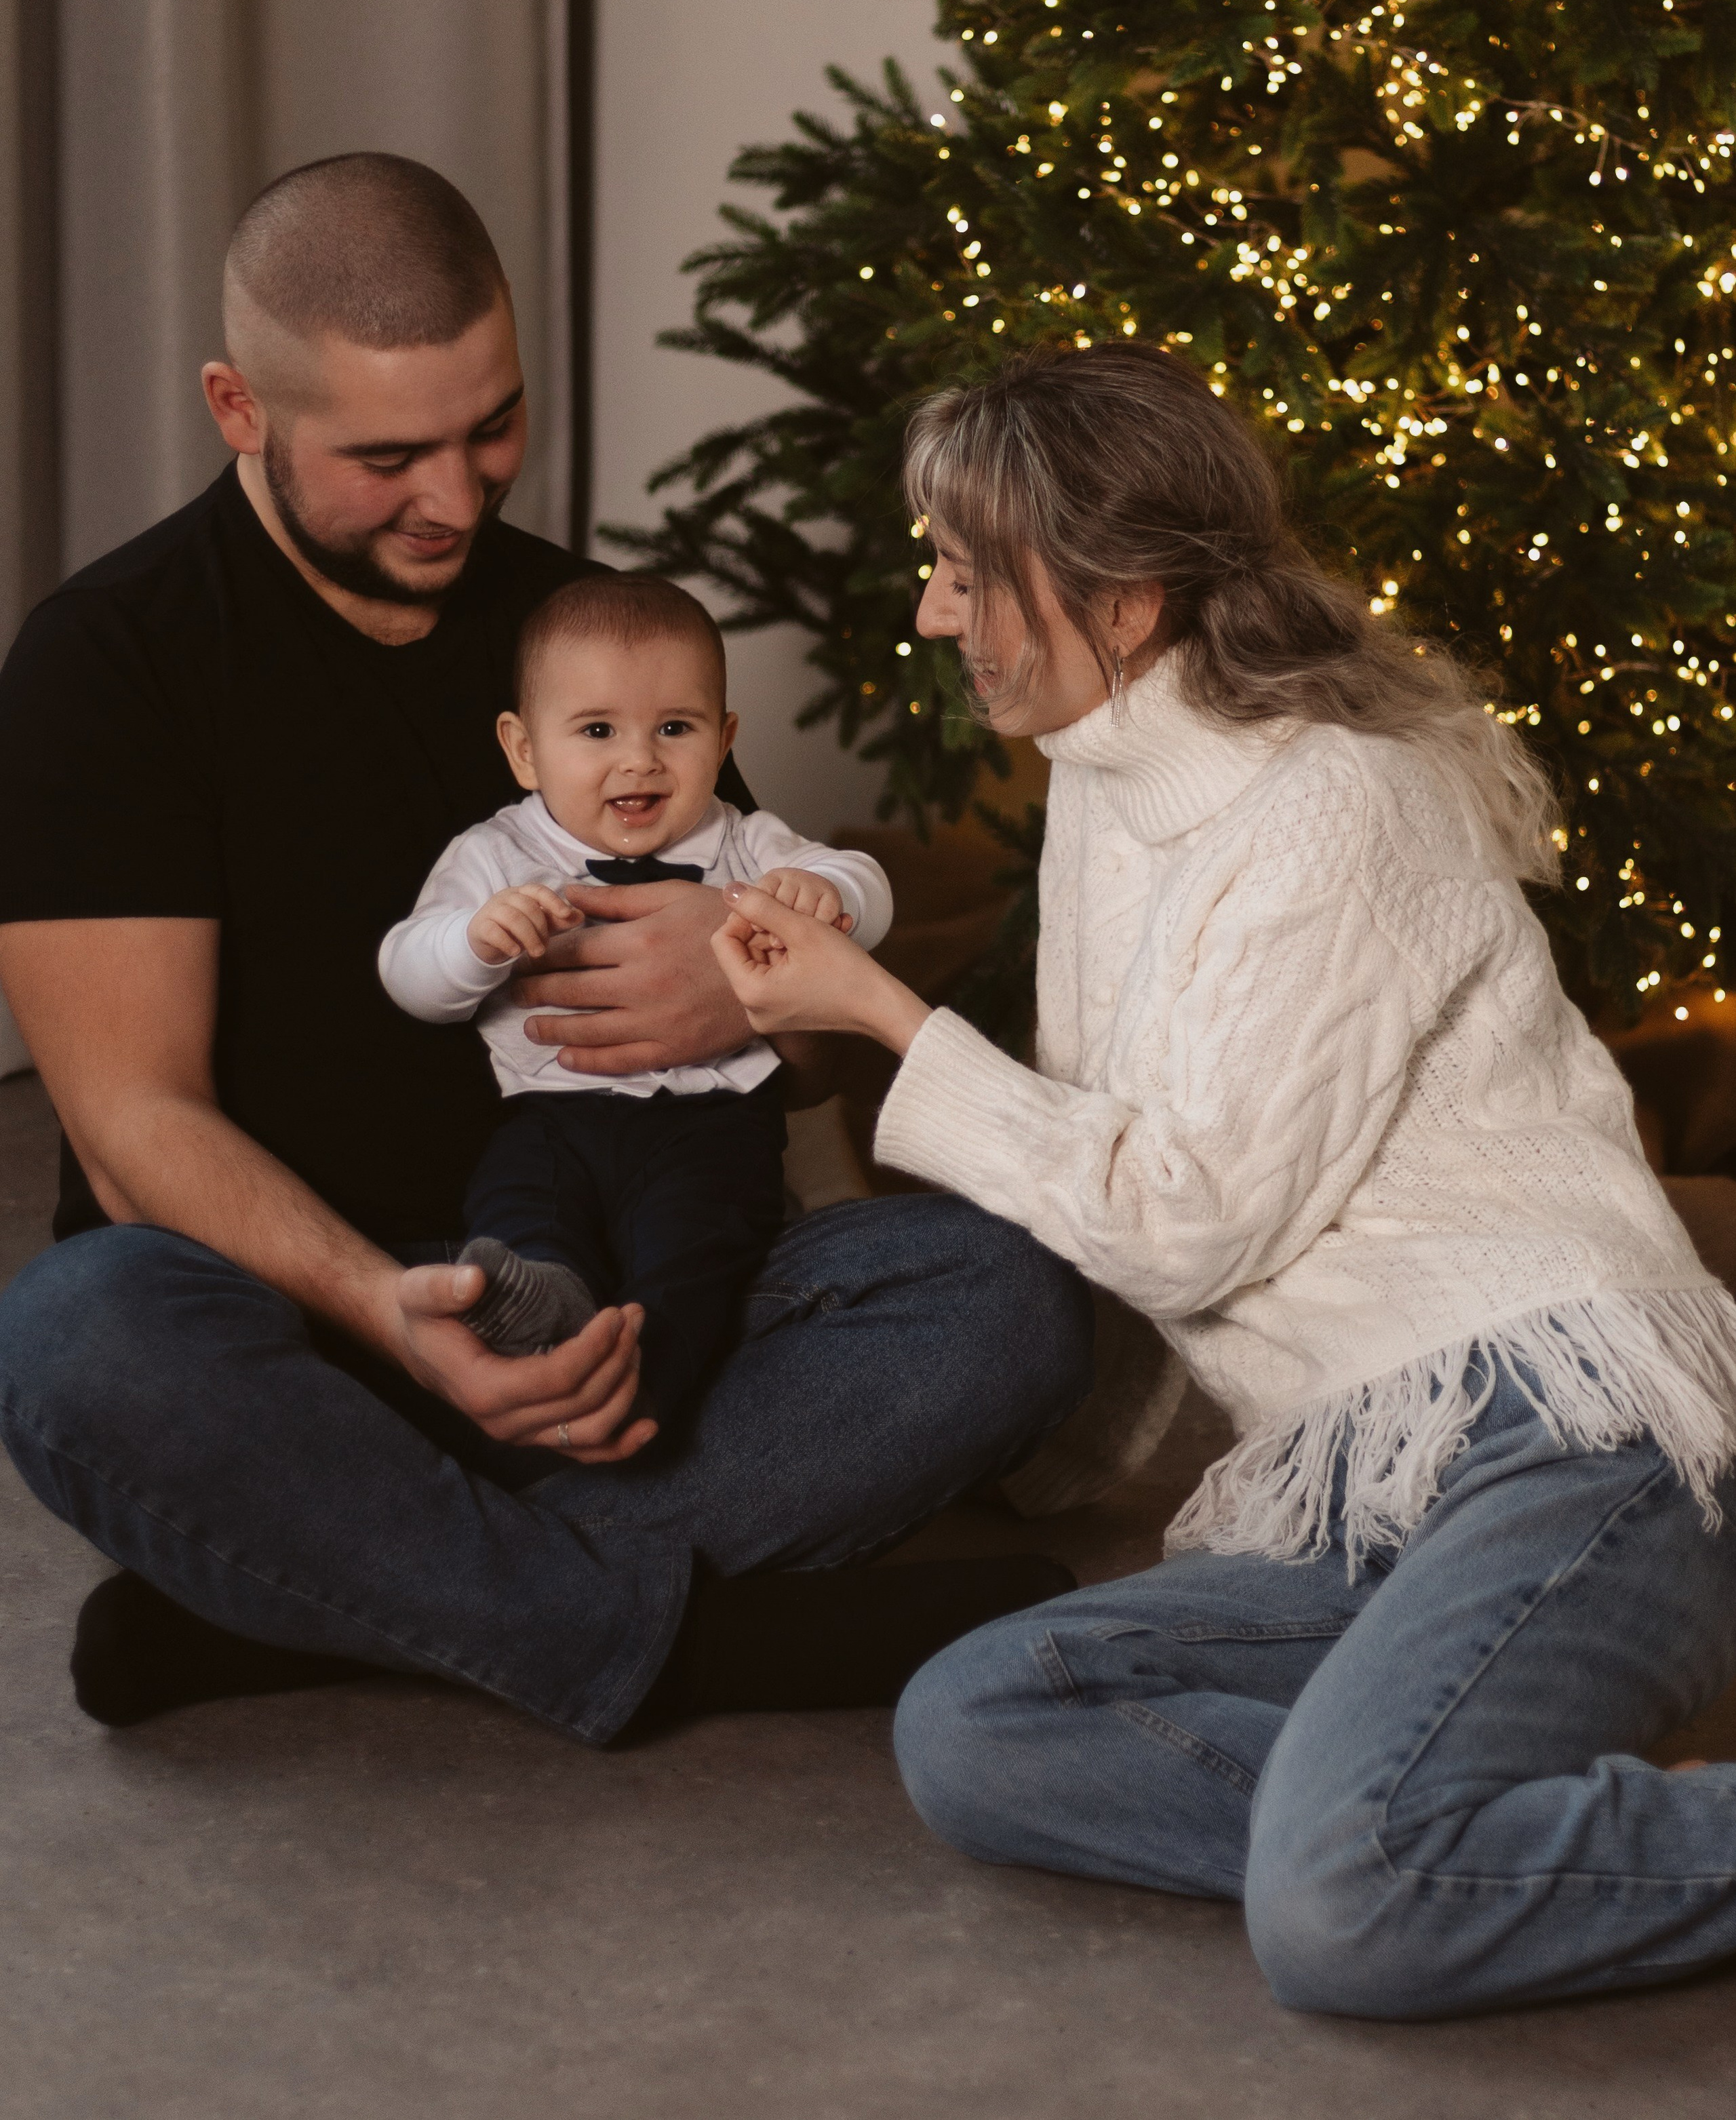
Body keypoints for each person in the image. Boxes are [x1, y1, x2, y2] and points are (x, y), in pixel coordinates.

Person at [707, 339, 1736, 2022]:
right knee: (971, 1724)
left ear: (1121, 603)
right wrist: (1025, 1459)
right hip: (1368, 1493)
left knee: (1340, 1911)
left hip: (1567, 1435)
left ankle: (1409, 1836)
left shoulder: (1337, 801)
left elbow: (1181, 1215)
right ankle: (1463, 1808)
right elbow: (1113, 1177)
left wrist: (884, 1018)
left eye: (966, 573)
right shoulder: (1107, 789)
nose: (929, 614)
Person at [0, 153, 1090, 1741]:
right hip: (307, 1337)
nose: (456, 496)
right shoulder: (110, 662)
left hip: (627, 1309)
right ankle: (682, 1641)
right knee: (74, 1337)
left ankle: (343, 1602)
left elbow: (794, 1003)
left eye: (490, 425)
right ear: (239, 408)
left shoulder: (584, 636)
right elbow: (129, 1122)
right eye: (386, 455)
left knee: (1008, 1301)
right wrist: (394, 1316)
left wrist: (741, 992)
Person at [378, 568, 894, 1436]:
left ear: (724, 737)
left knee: (696, 1254)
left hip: (713, 1123)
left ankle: (642, 1385)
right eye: (595, 730)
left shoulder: (743, 840)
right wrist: (473, 940)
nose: (639, 759)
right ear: (523, 749)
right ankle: (542, 1310)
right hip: (550, 1118)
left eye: (675, 727)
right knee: (518, 1219)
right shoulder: (496, 854)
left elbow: (869, 886)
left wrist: (821, 890)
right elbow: (406, 972)